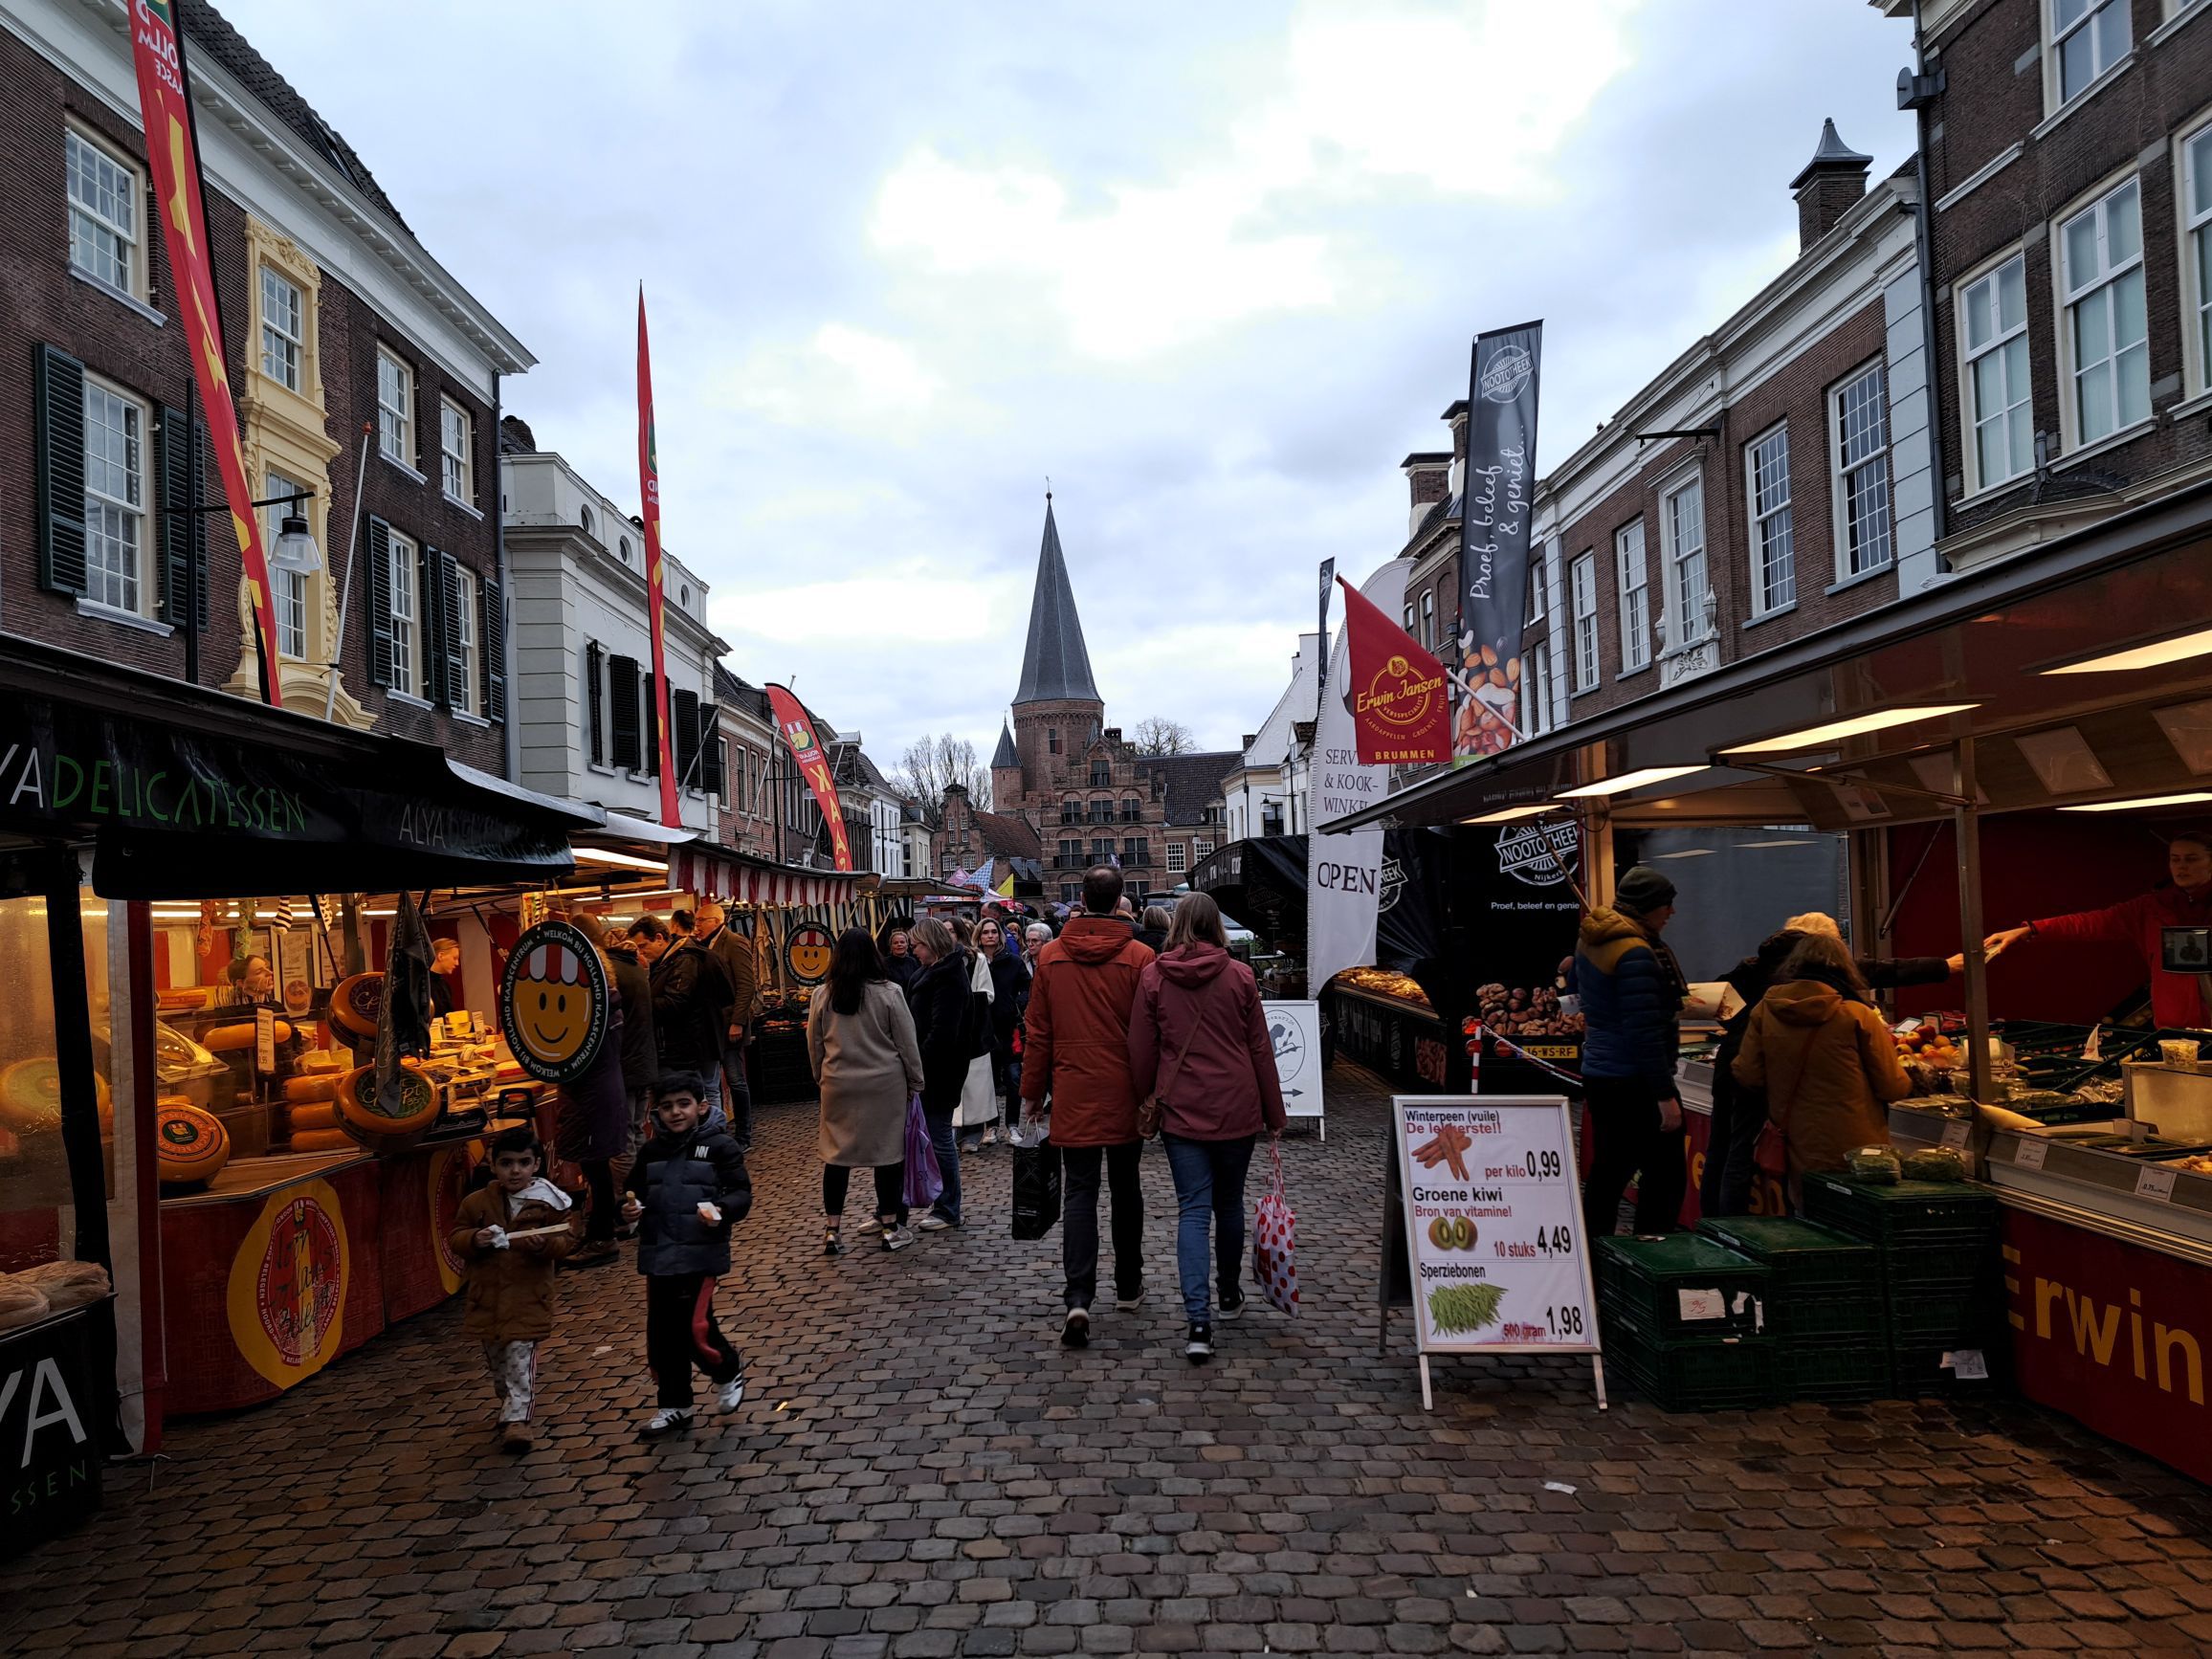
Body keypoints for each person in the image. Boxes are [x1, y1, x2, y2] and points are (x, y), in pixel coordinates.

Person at [1702, 913, 1959, 1218]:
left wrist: (1740, 1031)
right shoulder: (1853, 1013)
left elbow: (1715, 1006)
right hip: (1853, 1139)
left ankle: (1722, 1230)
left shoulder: (1760, 988)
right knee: (1844, 1210)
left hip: (1778, 1114)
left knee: (1729, 1154)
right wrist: (1947, 965)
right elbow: (1891, 1083)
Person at [1128, 893, 1285, 1364]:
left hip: (1181, 1107)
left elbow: (1140, 1047)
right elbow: (1260, 1047)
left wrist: (1147, 1095)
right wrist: (1275, 1112)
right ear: (1216, 925)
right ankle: (1229, 1291)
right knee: (1228, 1202)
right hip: (1236, 1104)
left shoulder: (1154, 977)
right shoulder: (1240, 975)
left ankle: (1198, 1320)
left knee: (1193, 1210)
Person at [1022, 865, 1156, 1347]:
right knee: (1126, 1189)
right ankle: (1127, 1283)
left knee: (1079, 1194)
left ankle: (1078, 1295)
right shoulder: (1141, 957)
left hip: (1074, 1091)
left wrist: (1033, 1096)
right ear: (1122, 900)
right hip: (1123, 1090)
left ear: (1080, 896)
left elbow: (1038, 1034)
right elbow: (1150, 1034)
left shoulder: (1052, 957)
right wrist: (1151, 1092)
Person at [621, 1073, 752, 1439]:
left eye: (683, 1104)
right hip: (659, 1254)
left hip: (699, 1255)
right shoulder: (651, 1151)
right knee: (662, 1335)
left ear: (701, 1106)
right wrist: (628, 1210)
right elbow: (631, 1192)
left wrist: (721, 1210)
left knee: (695, 1328)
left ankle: (726, 1369)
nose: (675, 1112)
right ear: (655, 1113)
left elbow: (741, 1192)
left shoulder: (720, 1146)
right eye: (667, 1106)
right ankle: (674, 1404)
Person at [1733, 933, 1914, 1199]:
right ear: (1842, 966)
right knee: (1852, 1217)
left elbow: (1747, 1073)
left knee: (1809, 1216)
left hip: (1797, 1140)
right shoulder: (1856, 1014)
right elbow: (1892, 1086)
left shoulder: (1765, 1011)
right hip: (1858, 1147)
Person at [1984, 829, 2212, 1029]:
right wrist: (2029, 930)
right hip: (2172, 1030)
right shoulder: (2151, 907)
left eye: (2191, 859)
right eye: (2175, 859)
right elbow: (2092, 923)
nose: (2181, 867)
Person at [1572, 866, 1690, 1242]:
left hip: (1602, 1071)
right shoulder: (1636, 951)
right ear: (1648, 906)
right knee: (1666, 1174)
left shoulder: (1594, 938)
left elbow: (1580, 987)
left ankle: (1596, 1252)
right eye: (1666, 905)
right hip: (1632, 1078)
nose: (1671, 912)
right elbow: (1644, 1032)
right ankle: (1651, 1251)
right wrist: (1664, 1095)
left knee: (1610, 1168)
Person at [448, 1125, 577, 1450]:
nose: (515, 1170)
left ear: (536, 1164)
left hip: (528, 1297)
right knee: (498, 1364)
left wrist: (542, 1247)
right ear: (494, 1165)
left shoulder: (549, 1203)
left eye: (523, 1162)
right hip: (487, 1298)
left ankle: (518, 1419)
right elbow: (456, 1236)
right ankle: (508, 1404)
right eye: (507, 1163)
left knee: (520, 1359)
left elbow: (567, 1240)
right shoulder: (477, 1203)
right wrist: (474, 1239)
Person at [807, 929, 923, 1253]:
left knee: (835, 1157)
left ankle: (832, 1230)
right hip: (884, 1085)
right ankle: (889, 1226)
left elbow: (815, 1044)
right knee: (888, 1157)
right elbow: (906, 1042)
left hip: (838, 1083)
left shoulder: (822, 995)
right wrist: (916, 1080)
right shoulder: (889, 993)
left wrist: (822, 1076)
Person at [554, 917, 632, 1271]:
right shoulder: (606, 1002)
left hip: (592, 1095)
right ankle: (600, 1230)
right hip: (602, 1091)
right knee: (596, 1167)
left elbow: (578, 1056)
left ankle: (602, 1237)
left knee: (597, 1170)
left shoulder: (591, 1012)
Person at [905, 918, 973, 1232]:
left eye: (917, 944)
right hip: (929, 1068)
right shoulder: (932, 973)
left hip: (939, 1071)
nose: (913, 950)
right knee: (934, 1135)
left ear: (931, 944)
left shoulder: (948, 977)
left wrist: (918, 1067)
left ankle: (948, 1207)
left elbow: (942, 1033)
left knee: (939, 1136)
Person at [638, 914, 736, 1128]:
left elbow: (676, 1002)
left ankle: (711, 1137)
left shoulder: (684, 959)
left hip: (693, 1042)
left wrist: (643, 1004)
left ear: (660, 938)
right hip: (705, 1038)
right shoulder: (685, 956)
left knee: (703, 1092)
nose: (641, 952)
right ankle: (715, 1136)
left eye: (643, 945)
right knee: (708, 1089)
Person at [595, 915, 659, 1174]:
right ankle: (645, 1184)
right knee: (636, 1129)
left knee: (623, 1136)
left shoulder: (613, 974)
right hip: (643, 1062)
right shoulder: (637, 968)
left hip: (625, 1065)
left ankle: (629, 1194)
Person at [696, 900, 760, 1151]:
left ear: (715, 920)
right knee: (712, 1084)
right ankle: (718, 1133)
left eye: (701, 921)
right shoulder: (703, 946)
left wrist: (737, 1022)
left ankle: (744, 1134)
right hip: (711, 1027)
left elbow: (746, 985)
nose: (697, 926)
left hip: (729, 1026)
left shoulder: (734, 942)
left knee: (735, 1079)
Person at [977, 916, 1030, 1144]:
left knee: (1013, 1077)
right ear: (979, 936)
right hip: (982, 1028)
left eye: (993, 932)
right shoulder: (975, 962)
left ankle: (1012, 1125)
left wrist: (1016, 1004)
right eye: (986, 932)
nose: (990, 936)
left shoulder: (1013, 962)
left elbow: (1027, 987)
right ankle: (990, 1126)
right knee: (987, 1079)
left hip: (1008, 1027)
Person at [881, 925, 923, 992]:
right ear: (891, 947)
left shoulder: (913, 962)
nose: (899, 944)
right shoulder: (884, 963)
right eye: (895, 943)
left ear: (907, 945)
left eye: (902, 942)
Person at [430, 937, 462, 1020]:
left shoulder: (444, 984)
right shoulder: (421, 985)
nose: (457, 963)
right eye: (454, 958)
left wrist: (474, 1027)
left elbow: (449, 1018)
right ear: (441, 956)